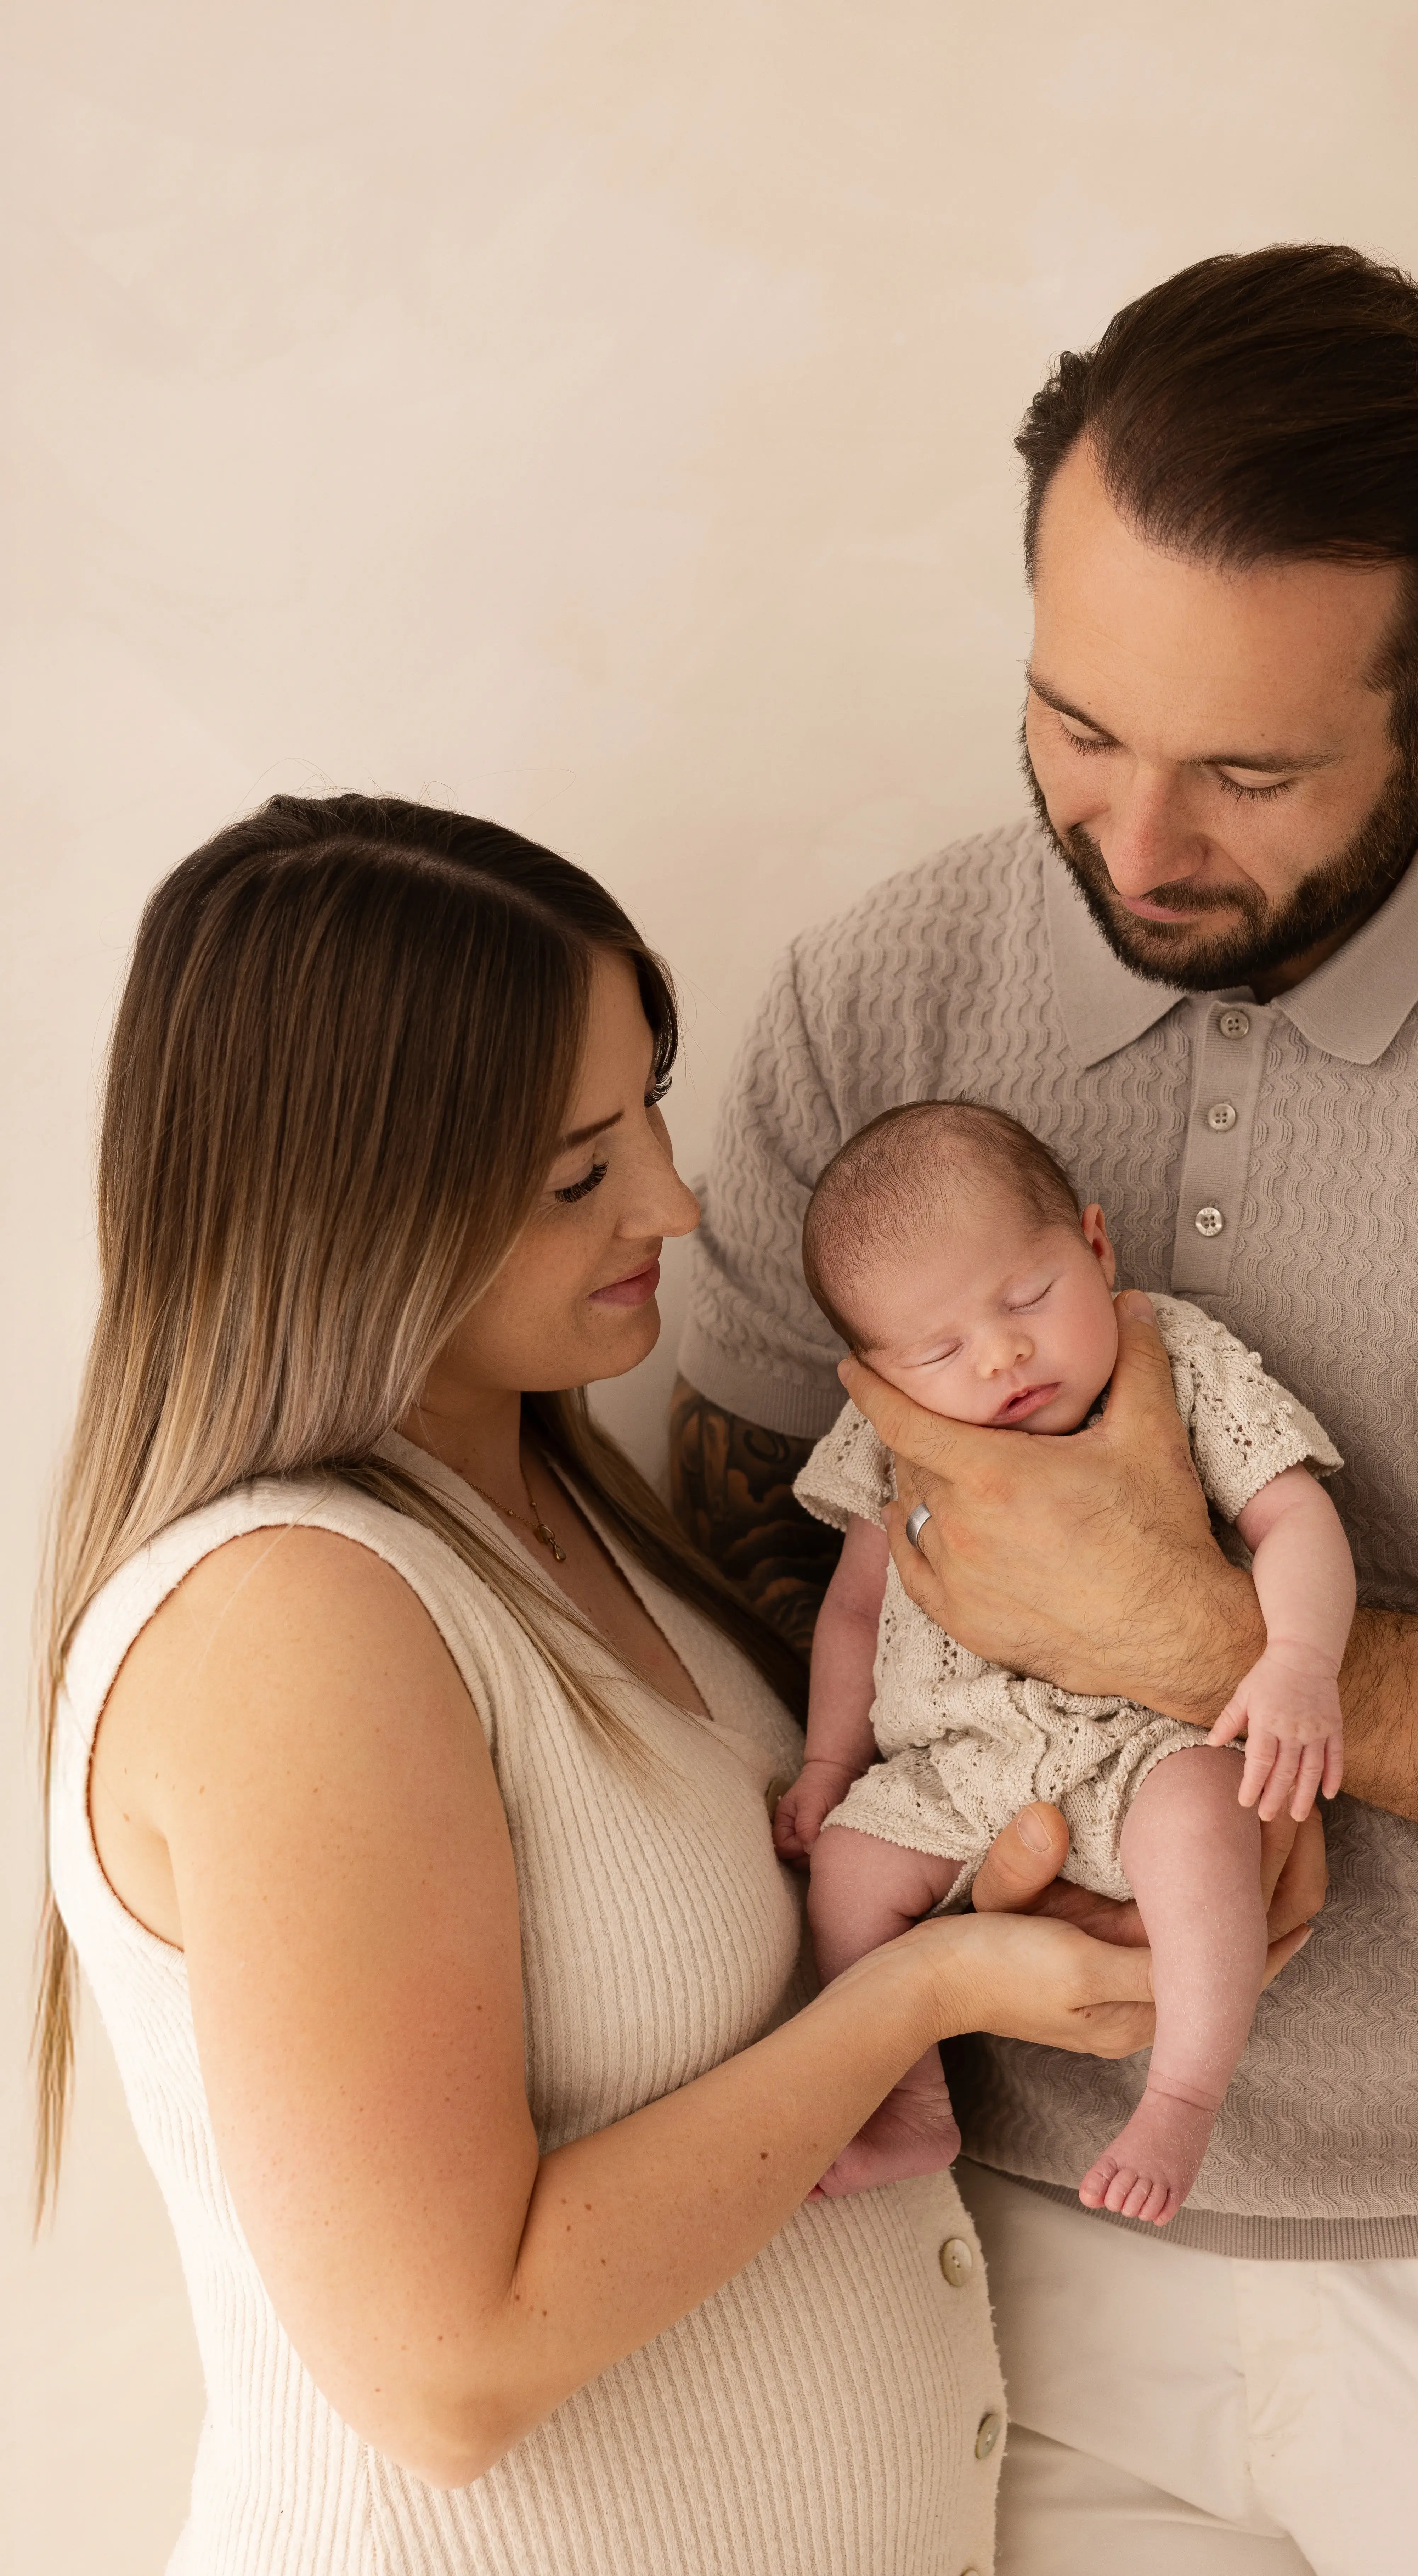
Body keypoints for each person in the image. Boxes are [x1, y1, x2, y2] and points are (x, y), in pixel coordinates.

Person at [673, 244, 1418, 2572]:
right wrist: (956, 1846)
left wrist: (1213, 1655)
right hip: (977, 2265)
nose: (1129, 841)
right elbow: (717, 1587)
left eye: (1243, 768)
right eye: (1074, 725)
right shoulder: (865, 998)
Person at [30, 793, 1178, 2576]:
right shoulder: (294, 1620)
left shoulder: (572, 1518)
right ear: (358, 1207)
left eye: (651, 1099)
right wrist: (921, 1998)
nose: (679, 1197)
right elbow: (449, 2365)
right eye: (582, 1172)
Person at [775, 1100, 1353, 2224]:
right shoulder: (891, 1436)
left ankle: (1182, 2098)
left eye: (1027, 1299)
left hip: (1151, 1739)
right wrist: (824, 1764)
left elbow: (1294, 1517)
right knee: (847, 1872)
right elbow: (852, 1612)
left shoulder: (1177, 1361)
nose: (1001, 1356)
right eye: (939, 1351)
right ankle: (908, 2102)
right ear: (876, 1374)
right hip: (962, 1762)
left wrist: (1297, 1660)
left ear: (1095, 1245)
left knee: (1202, 1825)